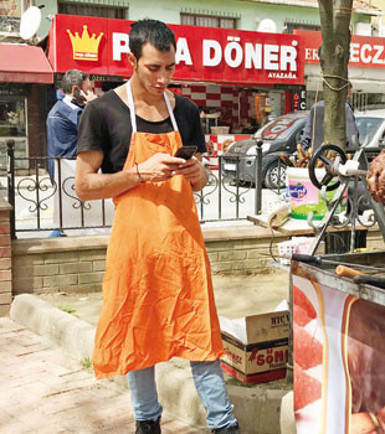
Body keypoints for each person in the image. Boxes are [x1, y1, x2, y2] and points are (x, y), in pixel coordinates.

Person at [74, 20, 240, 434]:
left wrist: (200, 173)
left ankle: (224, 424)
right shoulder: (103, 111)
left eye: (170, 68)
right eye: (153, 68)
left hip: (184, 244)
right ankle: (147, 422)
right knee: (138, 332)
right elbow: (83, 186)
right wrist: (138, 173)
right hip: (136, 247)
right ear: (130, 60)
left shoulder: (185, 111)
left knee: (200, 332)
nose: (163, 78)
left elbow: (200, 180)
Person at [47, 69, 96, 182]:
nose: (91, 93)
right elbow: (95, 129)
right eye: (88, 89)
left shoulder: (60, 107)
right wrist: (94, 105)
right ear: (75, 89)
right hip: (69, 171)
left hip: (61, 169)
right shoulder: (71, 111)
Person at [300, 86, 359, 151]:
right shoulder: (345, 108)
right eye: (349, 93)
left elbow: (306, 136)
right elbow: (352, 137)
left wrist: (306, 151)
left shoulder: (315, 107)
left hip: (316, 153)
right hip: (337, 153)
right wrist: (352, 151)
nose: (349, 97)